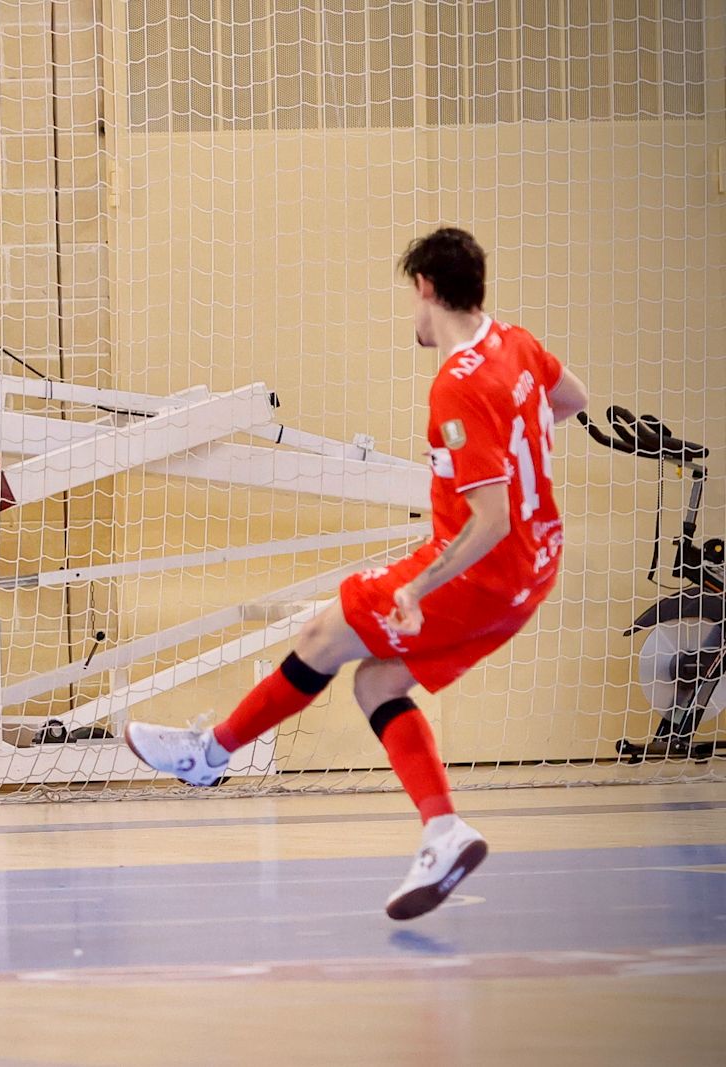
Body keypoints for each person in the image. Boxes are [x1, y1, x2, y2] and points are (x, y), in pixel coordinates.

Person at [127, 227, 590, 920]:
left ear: (426, 288)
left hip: (480, 574)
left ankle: (209, 752)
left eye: (412, 295)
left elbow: (488, 521)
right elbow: (571, 398)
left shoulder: (458, 388)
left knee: (322, 633)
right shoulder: (516, 344)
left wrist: (417, 586)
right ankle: (443, 829)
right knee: (377, 681)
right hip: (536, 568)